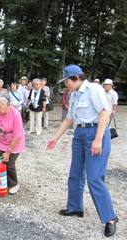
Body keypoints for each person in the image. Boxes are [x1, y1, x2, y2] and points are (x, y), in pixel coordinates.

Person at [47, 64, 118, 238]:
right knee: (75, 173)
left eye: (67, 82)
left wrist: (99, 139)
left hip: (96, 132)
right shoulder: (74, 95)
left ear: (76, 78)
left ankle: (110, 218)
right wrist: (55, 138)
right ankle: (75, 207)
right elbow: (69, 119)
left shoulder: (94, 89)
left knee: (94, 178)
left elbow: (104, 113)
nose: (66, 86)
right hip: (80, 134)